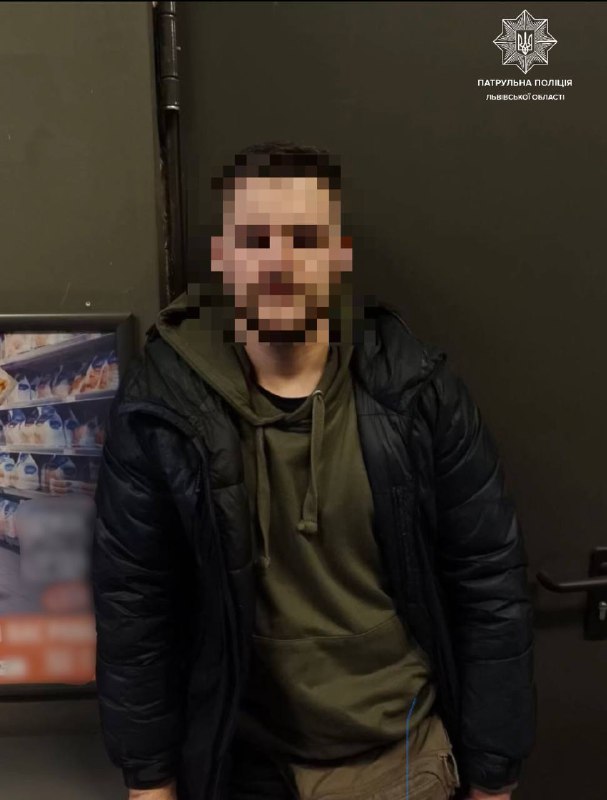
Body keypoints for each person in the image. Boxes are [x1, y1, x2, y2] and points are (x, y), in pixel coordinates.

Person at [91, 141, 536, 800]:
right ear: (222, 257)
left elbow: (489, 582)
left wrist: (494, 778)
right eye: (255, 239)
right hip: (242, 764)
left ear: (339, 256)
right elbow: (135, 605)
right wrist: (149, 782)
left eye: (303, 239)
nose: (279, 262)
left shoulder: (415, 391)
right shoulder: (163, 405)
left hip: (400, 758)